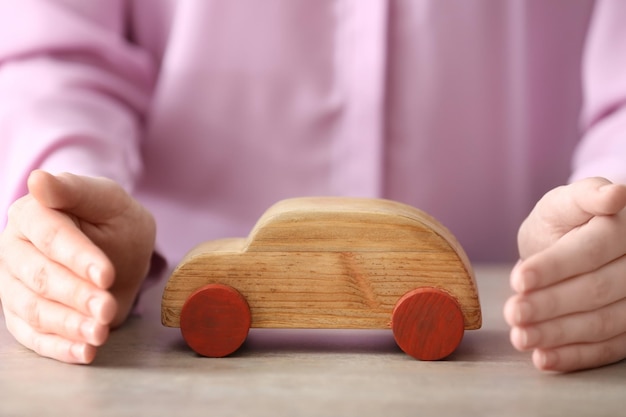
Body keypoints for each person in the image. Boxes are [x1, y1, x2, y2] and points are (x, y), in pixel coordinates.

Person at [0, 0, 624, 372]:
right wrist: (71, 195)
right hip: (152, 300)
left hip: (522, 321)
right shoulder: (225, 274)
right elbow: (61, 51)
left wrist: (608, 207)